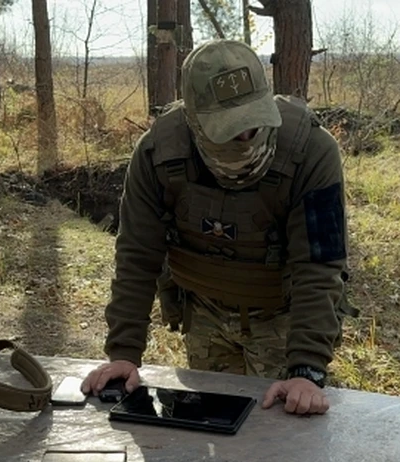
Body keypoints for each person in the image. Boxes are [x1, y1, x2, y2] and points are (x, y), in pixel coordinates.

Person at [80, 39, 356, 416]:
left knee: (275, 440)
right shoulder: (158, 154)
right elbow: (137, 255)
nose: (244, 140)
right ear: (194, 121)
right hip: (203, 313)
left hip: (282, 318)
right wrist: (124, 353)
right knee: (212, 427)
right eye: (228, 130)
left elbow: (319, 266)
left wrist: (306, 369)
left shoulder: (311, 152)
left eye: (253, 126)